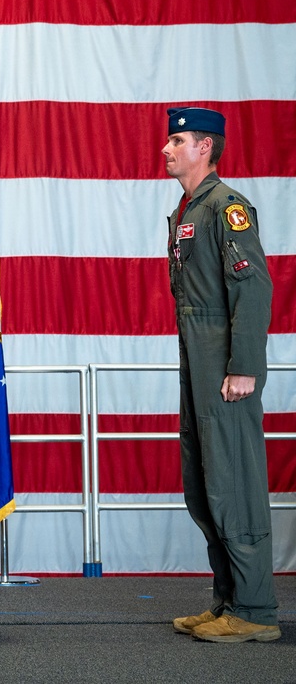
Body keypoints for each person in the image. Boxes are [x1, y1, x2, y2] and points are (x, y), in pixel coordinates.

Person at [162, 107, 280, 643]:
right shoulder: (190, 208)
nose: (166, 148)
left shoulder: (226, 207)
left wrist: (243, 368)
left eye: (177, 139)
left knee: (235, 481)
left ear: (205, 147)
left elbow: (252, 287)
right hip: (197, 353)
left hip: (222, 359)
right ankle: (229, 598)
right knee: (204, 483)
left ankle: (255, 611)